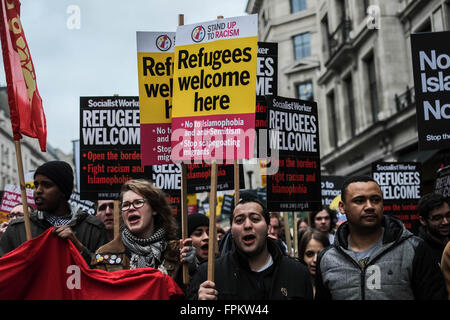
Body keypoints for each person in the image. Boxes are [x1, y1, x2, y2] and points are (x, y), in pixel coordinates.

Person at [315, 175, 447, 300]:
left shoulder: (414, 249)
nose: (370, 207)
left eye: (375, 200)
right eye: (359, 201)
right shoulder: (328, 258)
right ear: (342, 207)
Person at [187, 195, 313, 300]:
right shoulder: (209, 275)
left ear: (268, 228)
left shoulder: (298, 273)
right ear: (231, 231)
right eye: (239, 220)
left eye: (255, 219)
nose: (247, 225)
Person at [0, 161, 108, 265]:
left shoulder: (93, 228)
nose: (38, 191)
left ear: (63, 191)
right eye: (36, 185)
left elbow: (105, 264)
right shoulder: (17, 228)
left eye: (46, 185)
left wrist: (79, 248)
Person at [92, 179, 194, 289]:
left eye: (138, 202)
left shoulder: (176, 251)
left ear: (154, 209)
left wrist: (192, 264)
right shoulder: (105, 254)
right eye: (126, 205)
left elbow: (190, 293)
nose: (131, 208)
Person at [417, 193, 449, 265]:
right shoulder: (418, 251)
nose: (445, 222)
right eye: (437, 218)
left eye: (448, 215)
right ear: (423, 220)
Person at [298, 227, 330, 297]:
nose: (315, 260)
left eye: (320, 254)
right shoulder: (294, 287)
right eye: (310, 254)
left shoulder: (333, 287)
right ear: (302, 255)